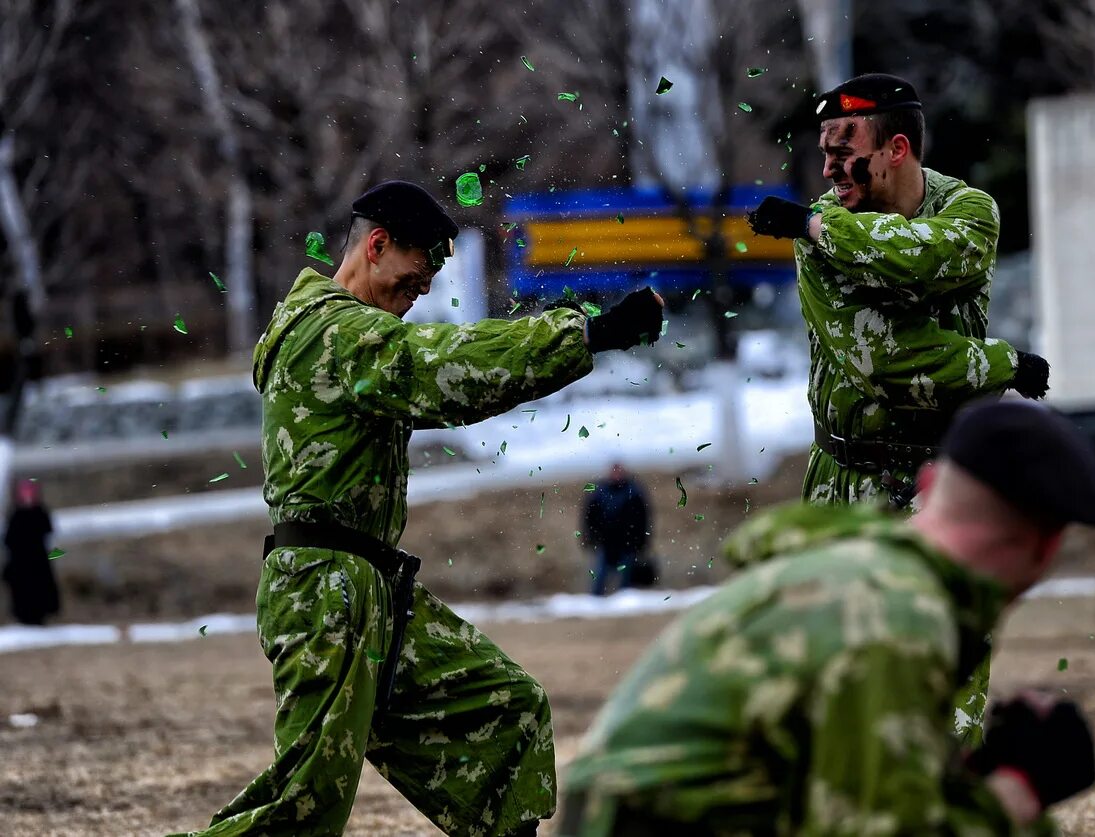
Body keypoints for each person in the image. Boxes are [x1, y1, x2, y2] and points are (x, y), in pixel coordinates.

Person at [172, 180, 664, 837]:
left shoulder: (351, 335)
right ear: (377, 246)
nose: (424, 289)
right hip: (326, 590)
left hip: (375, 588)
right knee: (304, 807)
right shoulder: (334, 335)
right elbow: (441, 372)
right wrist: (590, 334)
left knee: (506, 709)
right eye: (416, 272)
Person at [560, 399, 1095, 836]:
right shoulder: (894, 618)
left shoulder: (860, 576)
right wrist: (1017, 794)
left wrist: (967, 780)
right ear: (1047, 545)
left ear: (925, 485)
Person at [748, 73, 1051, 508]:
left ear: (897, 149)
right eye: (826, 154)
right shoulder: (818, 232)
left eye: (844, 154)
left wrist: (818, 228)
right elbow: (885, 362)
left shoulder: (968, 211)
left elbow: (918, 261)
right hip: (846, 490)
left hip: (946, 481)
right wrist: (1005, 363)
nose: (828, 170)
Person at [581, 463, 652, 596]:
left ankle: (624, 602)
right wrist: (589, 537)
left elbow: (642, 518)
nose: (616, 475)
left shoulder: (633, 491)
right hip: (605, 542)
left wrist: (641, 540)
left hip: (628, 543)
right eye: (614, 472)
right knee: (600, 576)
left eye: (619, 472)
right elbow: (589, 517)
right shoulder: (599, 492)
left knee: (626, 576)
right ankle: (595, 602)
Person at [2, 478, 60, 626]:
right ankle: (24, 618)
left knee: (40, 591)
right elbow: (8, 539)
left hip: (38, 561)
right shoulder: (15, 514)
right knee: (23, 593)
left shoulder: (40, 512)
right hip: (21, 563)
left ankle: (40, 616)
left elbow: (49, 532)